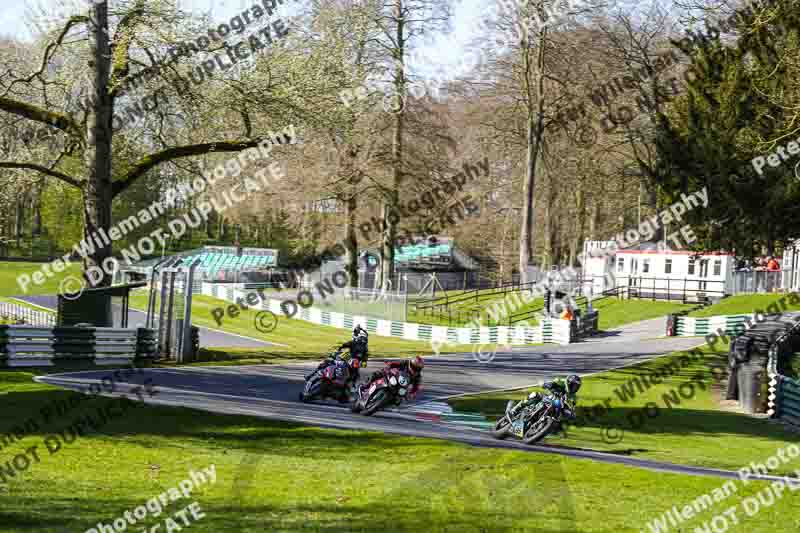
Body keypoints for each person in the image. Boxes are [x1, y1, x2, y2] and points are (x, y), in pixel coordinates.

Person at [507, 375, 582, 419]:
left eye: (577, 387)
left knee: (557, 418)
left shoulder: (573, 397)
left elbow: (572, 406)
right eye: (574, 386)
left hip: (556, 406)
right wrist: (546, 384)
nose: (575, 388)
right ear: (569, 383)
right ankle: (515, 410)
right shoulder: (560, 381)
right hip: (547, 398)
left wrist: (571, 413)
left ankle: (540, 427)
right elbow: (551, 382)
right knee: (535, 394)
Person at [360, 355, 424, 402]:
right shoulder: (405, 363)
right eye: (414, 367)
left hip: (400, 387)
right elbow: (394, 364)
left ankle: (384, 404)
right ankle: (364, 387)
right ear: (411, 363)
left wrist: (412, 394)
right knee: (375, 375)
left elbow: (416, 387)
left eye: (417, 368)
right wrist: (389, 365)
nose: (415, 369)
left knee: (398, 401)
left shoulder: (417, 376)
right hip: (392, 375)